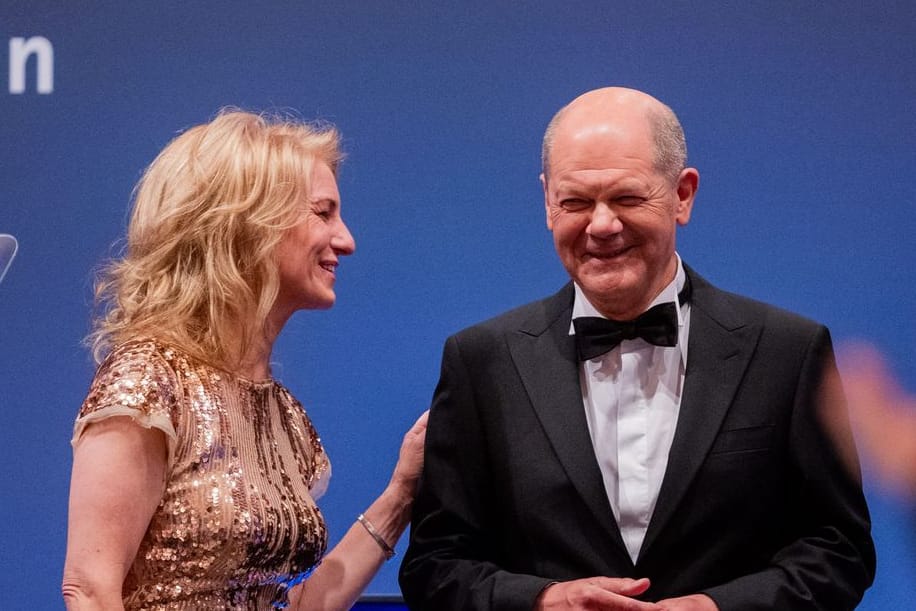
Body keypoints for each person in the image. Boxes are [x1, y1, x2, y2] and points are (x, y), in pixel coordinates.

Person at [399, 87, 874, 610]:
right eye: (575, 202)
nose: (601, 225)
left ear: (682, 195)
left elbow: (839, 550)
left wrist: (715, 608)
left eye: (626, 198)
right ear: (547, 202)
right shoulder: (480, 360)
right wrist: (539, 602)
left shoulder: (788, 350)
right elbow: (434, 565)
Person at [62, 110, 427, 610]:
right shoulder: (150, 380)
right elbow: (90, 589)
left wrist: (402, 494)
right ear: (249, 224)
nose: (346, 240)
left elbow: (292, 605)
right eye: (323, 213)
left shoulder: (286, 417)